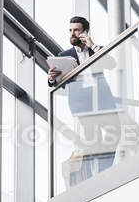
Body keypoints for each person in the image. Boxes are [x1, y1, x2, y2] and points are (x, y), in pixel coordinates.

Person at [48, 16, 121, 189]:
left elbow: (111, 64)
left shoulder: (96, 49)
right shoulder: (64, 56)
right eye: (70, 30)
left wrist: (92, 44)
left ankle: (103, 171)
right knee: (93, 142)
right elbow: (57, 83)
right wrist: (51, 79)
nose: (72, 33)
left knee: (115, 132)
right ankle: (98, 180)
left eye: (76, 30)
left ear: (85, 32)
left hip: (102, 100)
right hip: (82, 106)